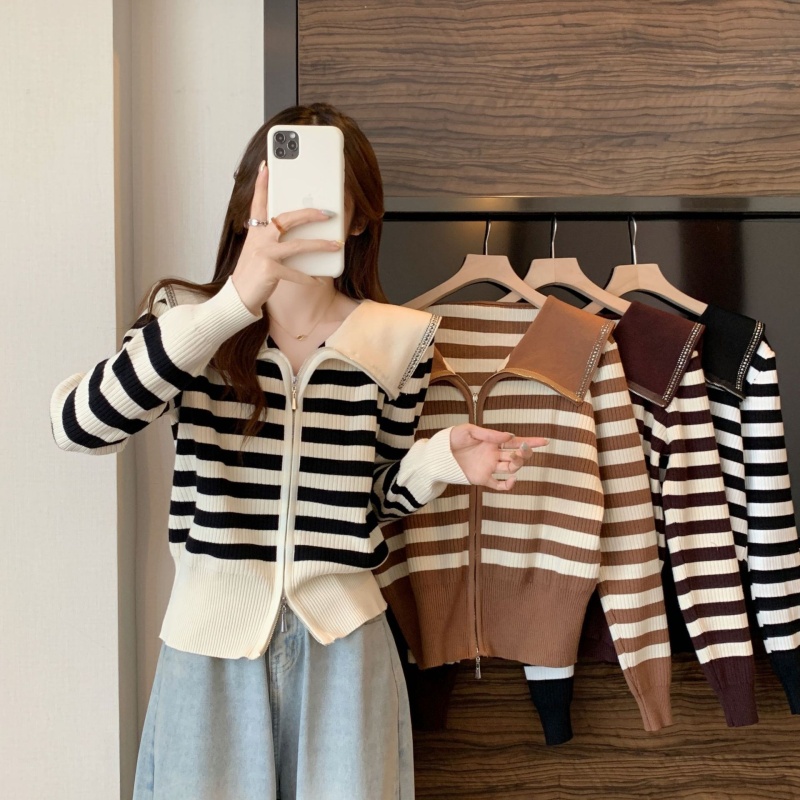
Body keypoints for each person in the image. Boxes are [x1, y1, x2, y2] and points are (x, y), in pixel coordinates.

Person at [49, 102, 546, 800]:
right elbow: (80, 427)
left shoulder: (400, 340)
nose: (301, 211)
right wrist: (233, 304)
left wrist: (438, 462)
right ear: (246, 206)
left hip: (345, 649)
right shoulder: (186, 324)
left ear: (359, 217)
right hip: (210, 646)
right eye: (282, 191)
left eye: (326, 193)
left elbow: (367, 499)